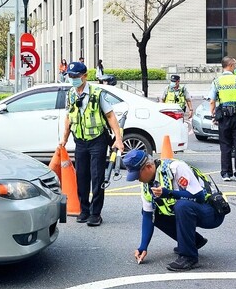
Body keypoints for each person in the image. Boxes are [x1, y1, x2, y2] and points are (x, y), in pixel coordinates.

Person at [124, 149, 225, 272]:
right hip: (190, 211)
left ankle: (189, 257)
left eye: (137, 175)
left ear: (149, 166)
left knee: (182, 206)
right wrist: (143, 246)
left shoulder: (176, 168)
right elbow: (148, 215)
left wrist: (168, 193)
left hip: (211, 212)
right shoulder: (147, 183)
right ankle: (194, 241)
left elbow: (199, 196)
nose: (136, 179)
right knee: (156, 211)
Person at [59, 61, 124, 226]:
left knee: (97, 177)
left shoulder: (97, 93)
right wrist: (64, 139)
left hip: (98, 140)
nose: (72, 79)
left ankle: (95, 213)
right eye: (70, 76)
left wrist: (118, 138)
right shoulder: (71, 95)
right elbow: (69, 118)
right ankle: (84, 210)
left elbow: (110, 116)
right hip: (80, 141)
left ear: (85, 76)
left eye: (75, 76)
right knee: (81, 177)